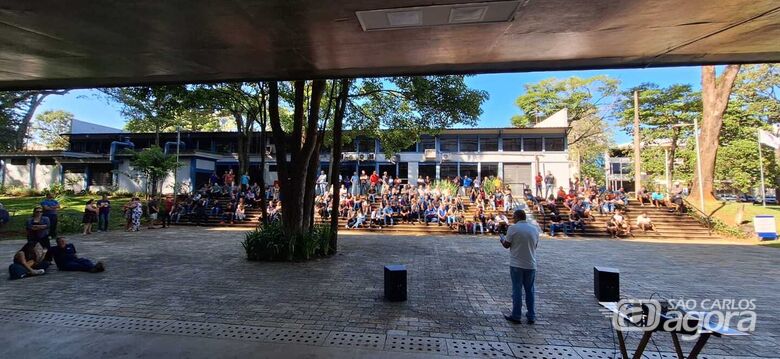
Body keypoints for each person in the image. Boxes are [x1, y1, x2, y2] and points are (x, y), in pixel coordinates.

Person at [501, 209, 538, 324]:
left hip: (516, 263)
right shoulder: (534, 229)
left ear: (517, 217)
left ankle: (516, 315)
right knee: (530, 291)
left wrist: (502, 239)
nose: (513, 219)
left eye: (513, 217)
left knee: (517, 290)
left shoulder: (513, 228)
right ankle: (531, 315)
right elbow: (535, 245)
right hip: (531, 264)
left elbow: (506, 245)